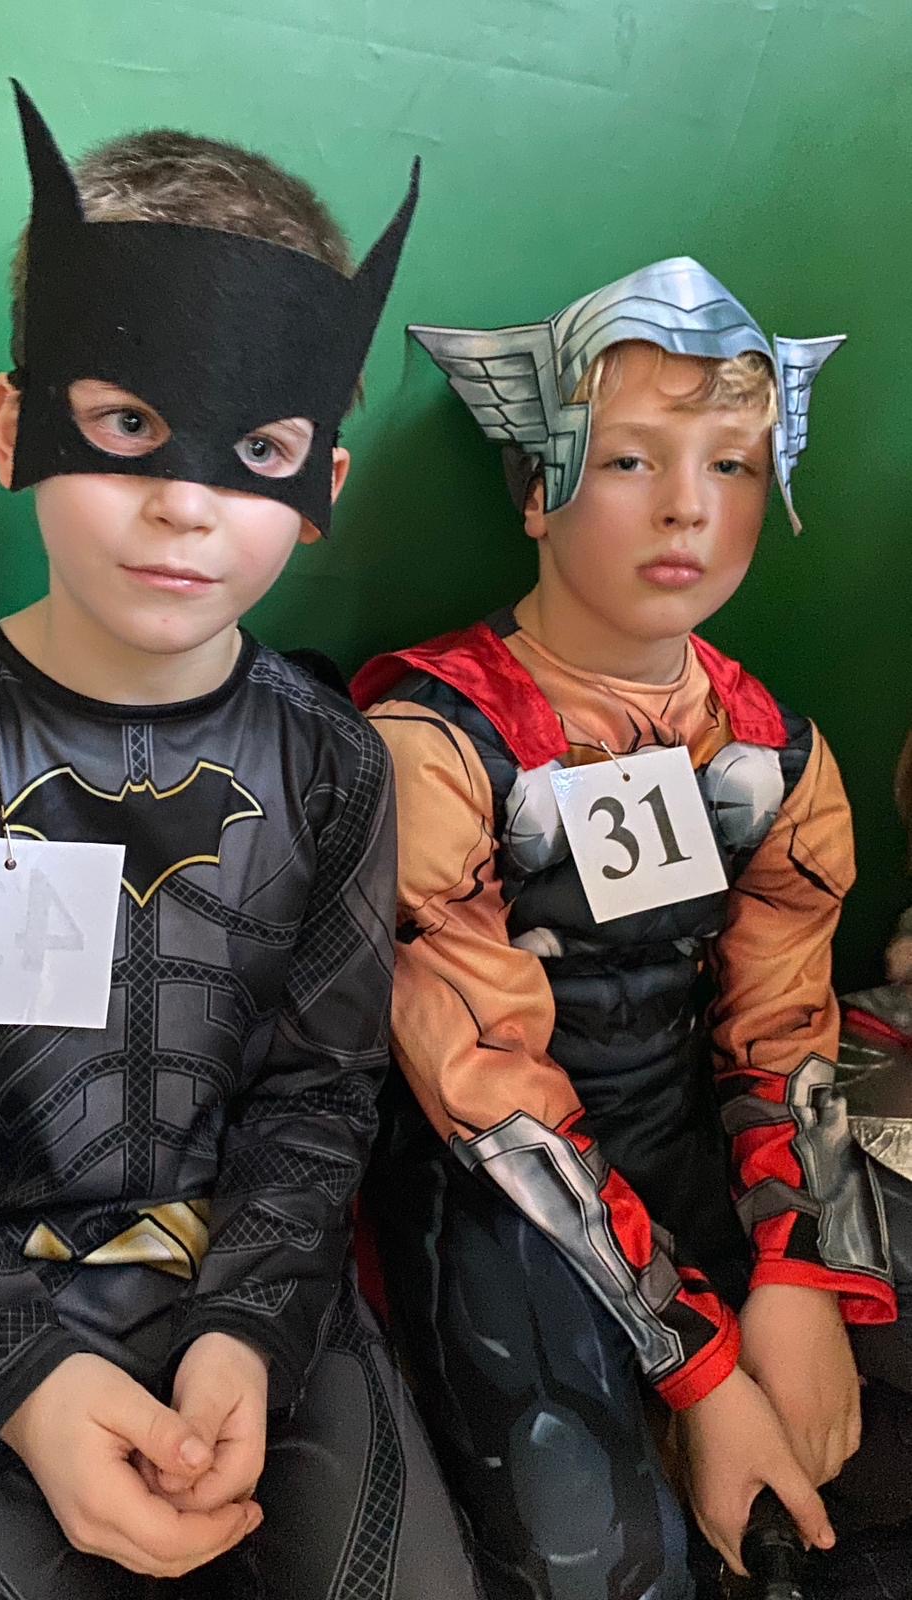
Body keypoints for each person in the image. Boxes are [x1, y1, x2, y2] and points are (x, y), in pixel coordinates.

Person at [0, 81, 478, 1600]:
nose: (181, 504)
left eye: (255, 448)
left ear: (321, 489)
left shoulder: (332, 765)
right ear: (16, 423)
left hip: (252, 1298)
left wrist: (248, 1329)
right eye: (129, 424)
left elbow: (320, 1093)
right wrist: (24, 1379)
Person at [353, 256, 910, 1598]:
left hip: (698, 1148)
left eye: (731, 466)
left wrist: (800, 1272)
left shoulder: (774, 753)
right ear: (536, 487)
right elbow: (492, 1095)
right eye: (627, 461)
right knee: (604, 1558)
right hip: (496, 1196)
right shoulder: (438, 746)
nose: (687, 508)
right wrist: (702, 1369)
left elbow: (782, 1024)